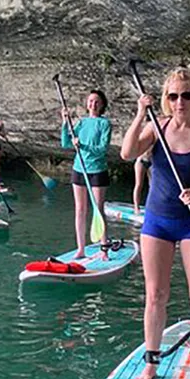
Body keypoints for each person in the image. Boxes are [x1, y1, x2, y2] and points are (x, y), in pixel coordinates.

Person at [120, 67, 190, 379]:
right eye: (173, 96)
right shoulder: (157, 127)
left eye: (187, 95)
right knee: (155, 295)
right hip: (157, 222)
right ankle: (152, 363)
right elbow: (127, 153)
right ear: (166, 100)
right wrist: (140, 114)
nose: (180, 102)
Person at [60, 89, 112, 259]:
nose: (93, 104)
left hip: (97, 170)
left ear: (102, 105)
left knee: (98, 209)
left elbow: (102, 149)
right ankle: (81, 249)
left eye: (97, 101)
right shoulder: (81, 123)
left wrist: (82, 145)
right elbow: (66, 143)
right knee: (80, 209)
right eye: (90, 101)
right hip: (79, 169)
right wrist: (65, 123)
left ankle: (104, 248)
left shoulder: (105, 124)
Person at [132, 150, 152, 216]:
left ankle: (150, 207)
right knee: (138, 184)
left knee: (152, 186)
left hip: (152, 162)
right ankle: (136, 207)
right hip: (141, 160)